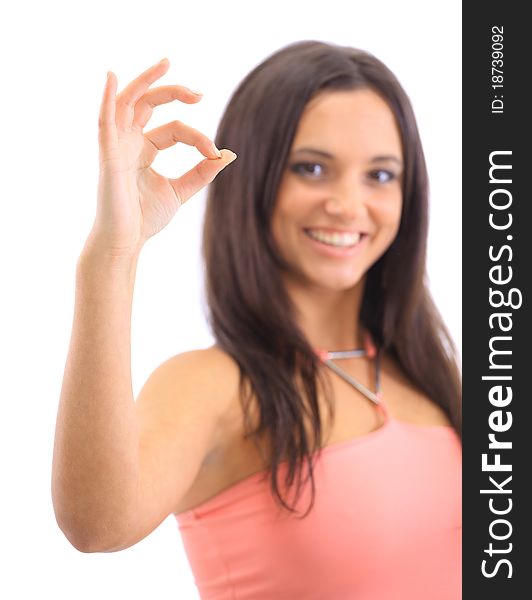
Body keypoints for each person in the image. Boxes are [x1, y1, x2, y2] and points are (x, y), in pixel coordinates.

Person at [52, 40, 462, 599]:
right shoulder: (215, 387)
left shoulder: (432, 374)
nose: (347, 204)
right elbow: (96, 524)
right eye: (312, 168)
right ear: (254, 179)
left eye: (381, 175)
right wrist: (113, 254)